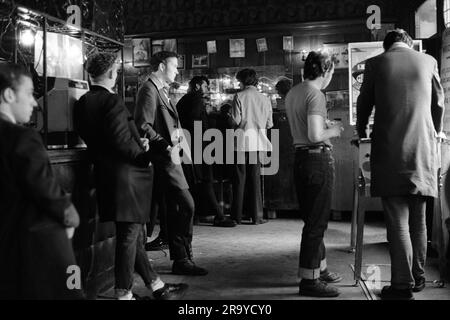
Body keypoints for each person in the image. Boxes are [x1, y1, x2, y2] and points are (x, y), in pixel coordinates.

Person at [74, 52, 188, 300]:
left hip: (105, 176)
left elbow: (102, 139)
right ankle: (123, 294)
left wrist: (135, 142)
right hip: (127, 178)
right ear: (112, 73)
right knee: (129, 236)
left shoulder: (82, 102)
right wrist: (144, 153)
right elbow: (121, 142)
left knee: (133, 235)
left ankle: (156, 286)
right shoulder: (112, 102)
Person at [356, 29, 445, 300]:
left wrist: (361, 132)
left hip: (391, 150)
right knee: (419, 220)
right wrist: (436, 131)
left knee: (397, 222)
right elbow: (439, 104)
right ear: (407, 44)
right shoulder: (428, 61)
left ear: (387, 46)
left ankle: (401, 286)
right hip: (422, 151)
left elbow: (364, 104)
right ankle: (418, 278)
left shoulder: (375, 64)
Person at [0, 62, 83, 299]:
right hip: (33, 244)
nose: (35, 102)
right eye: (28, 94)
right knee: (72, 287)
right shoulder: (22, 137)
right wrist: (70, 218)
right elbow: (46, 190)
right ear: (8, 94)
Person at [135, 51, 208, 276]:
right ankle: (182, 259)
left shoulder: (161, 90)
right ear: (160, 66)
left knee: (176, 208)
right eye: (174, 66)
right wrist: (165, 146)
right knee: (187, 205)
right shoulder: (149, 89)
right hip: (164, 160)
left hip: (173, 158)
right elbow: (142, 125)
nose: (177, 70)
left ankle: (182, 258)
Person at [285, 51, 344, 298]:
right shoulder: (316, 94)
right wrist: (336, 130)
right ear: (327, 71)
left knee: (312, 220)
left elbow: (304, 129)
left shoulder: (294, 92)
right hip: (316, 159)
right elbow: (314, 135)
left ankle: (318, 269)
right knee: (316, 224)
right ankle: (309, 282)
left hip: (300, 159)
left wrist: (323, 127)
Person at [177, 76, 236, 228]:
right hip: (198, 146)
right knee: (206, 179)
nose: (207, 89)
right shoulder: (196, 100)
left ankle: (198, 215)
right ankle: (219, 216)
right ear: (197, 86)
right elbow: (195, 122)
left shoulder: (187, 99)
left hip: (189, 144)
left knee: (196, 181)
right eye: (205, 86)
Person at [230, 68, 273, 225]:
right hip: (258, 143)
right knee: (255, 180)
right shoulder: (265, 99)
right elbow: (269, 123)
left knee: (239, 180)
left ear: (242, 80)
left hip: (241, 143)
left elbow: (235, 120)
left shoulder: (239, 96)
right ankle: (256, 217)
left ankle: (236, 217)